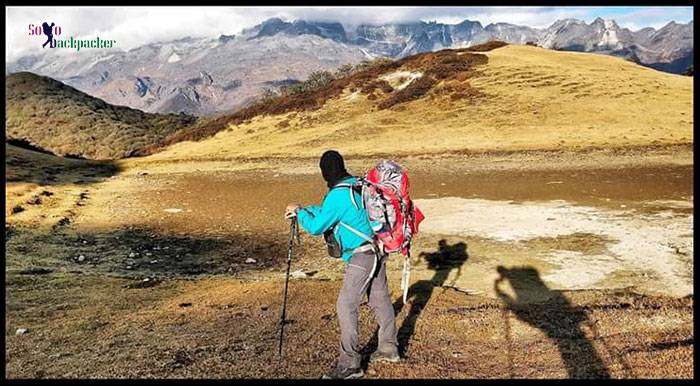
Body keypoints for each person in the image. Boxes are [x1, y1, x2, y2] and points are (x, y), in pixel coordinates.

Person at [285, 150, 400, 379]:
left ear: (325, 172)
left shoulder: (338, 194)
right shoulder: (357, 184)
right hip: (377, 249)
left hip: (361, 256)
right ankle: (389, 349)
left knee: (345, 305)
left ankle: (350, 365)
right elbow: (331, 214)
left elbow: (318, 226)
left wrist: (299, 212)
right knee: (380, 299)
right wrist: (305, 209)